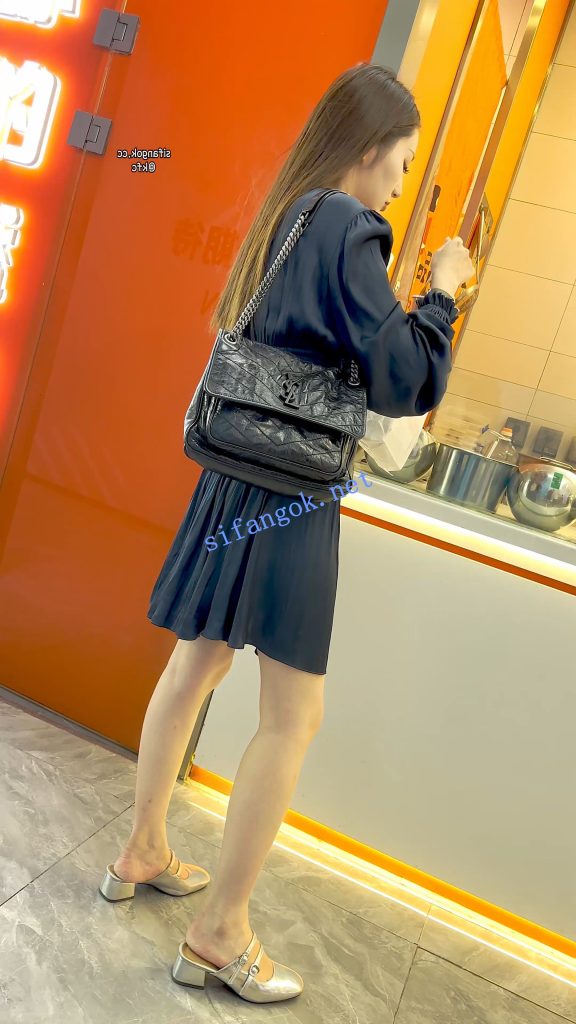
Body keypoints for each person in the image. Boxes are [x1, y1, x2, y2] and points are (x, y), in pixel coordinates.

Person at [99, 63, 474, 1003]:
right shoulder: (349, 223)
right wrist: (442, 293)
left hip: (233, 477)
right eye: (402, 162)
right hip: (292, 494)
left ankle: (142, 847)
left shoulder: (291, 213)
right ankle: (221, 931)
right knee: (293, 717)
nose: (399, 184)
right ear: (370, 147)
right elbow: (403, 379)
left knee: (195, 664)